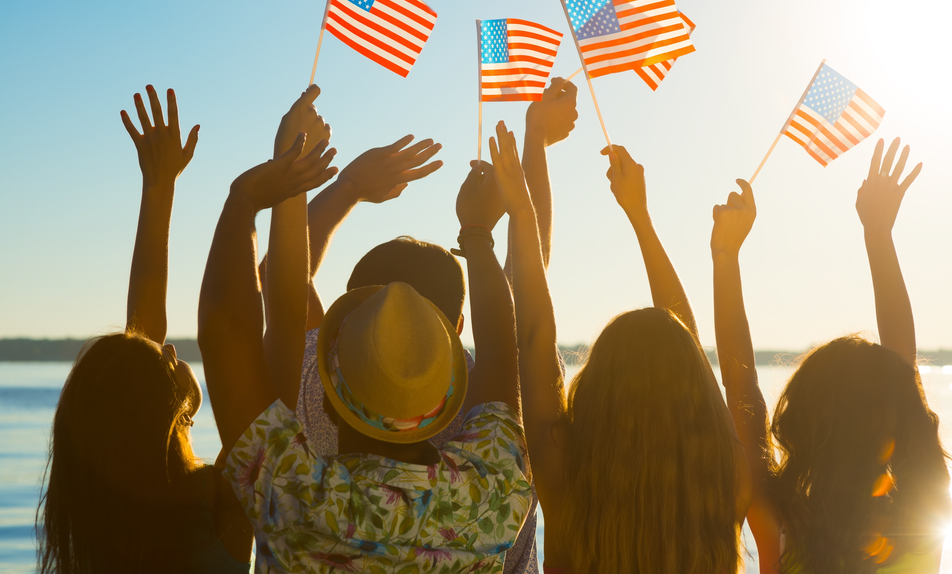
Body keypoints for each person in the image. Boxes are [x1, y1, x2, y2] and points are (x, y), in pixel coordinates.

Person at [198, 88, 533, 572]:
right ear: (451, 359)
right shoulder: (492, 497)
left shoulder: (295, 494)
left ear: (331, 384)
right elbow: (505, 349)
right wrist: (479, 233)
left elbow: (236, 326)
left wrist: (256, 195)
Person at [280, 77, 576, 573]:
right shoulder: (487, 437)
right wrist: (531, 151)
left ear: (346, 321)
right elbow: (526, 293)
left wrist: (346, 187)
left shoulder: (314, 378)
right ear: (457, 326)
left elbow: (283, 278)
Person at [498, 128, 750, 574]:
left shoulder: (565, 468)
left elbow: (535, 337)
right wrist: (640, 217)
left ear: (598, 383)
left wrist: (522, 210)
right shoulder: (726, 475)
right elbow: (687, 347)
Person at [711, 137, 952, 574]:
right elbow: (903, 371)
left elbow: (741, 386)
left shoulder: (784, 533)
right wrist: (878, 235)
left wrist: (725, 256)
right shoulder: (921, 520)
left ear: (803, 424)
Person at [36, 86, 252, 574]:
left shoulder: (91, 514)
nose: (171, 349)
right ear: (168, 407)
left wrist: (159, 190)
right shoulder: (220, 499)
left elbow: (143, 343)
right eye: (168, 361)